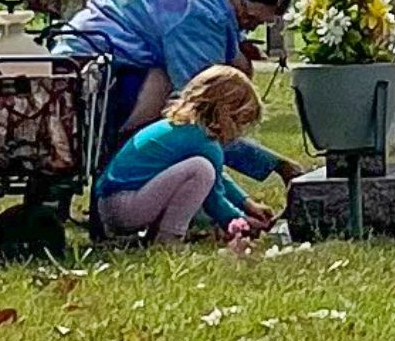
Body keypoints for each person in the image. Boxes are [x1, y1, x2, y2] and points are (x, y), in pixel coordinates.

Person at [54, 0, 303, 184]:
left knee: (236, 67)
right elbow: (202, 119)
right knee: (172, 100)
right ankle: (121, 175)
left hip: (99, 50)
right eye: (248, 18)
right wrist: (275, 165)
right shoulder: (195, 15)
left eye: (258, 24)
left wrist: (233, 44)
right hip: (89, 74)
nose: (248, 28)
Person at [95, 65, 274, 244]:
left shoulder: (182, 128)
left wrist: (246, 203)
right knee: (201, 169)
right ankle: (170, 237)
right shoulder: (204, 142)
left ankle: (154, 235)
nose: (238, 133)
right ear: (225, 113)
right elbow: (214, 198)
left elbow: (218, 177)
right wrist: (241, 222)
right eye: (239, 123)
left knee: (204, 170)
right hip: (126, 207)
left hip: (110, 205)